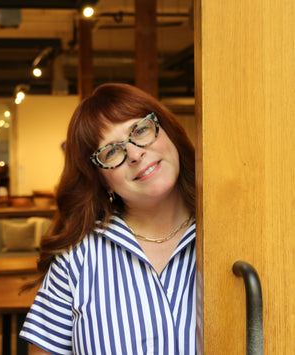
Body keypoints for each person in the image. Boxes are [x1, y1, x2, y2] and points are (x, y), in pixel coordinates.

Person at [19, 83, 196, 354]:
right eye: (111, 151)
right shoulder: (75, 258)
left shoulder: (232, 232)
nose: (135, 154)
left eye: (140, 130)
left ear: (167, 131)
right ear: (103, 180)